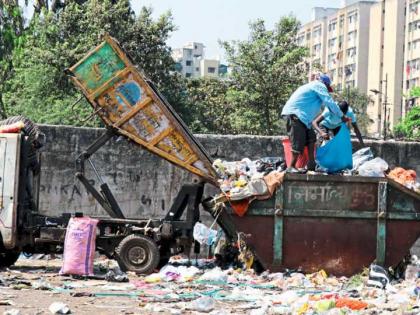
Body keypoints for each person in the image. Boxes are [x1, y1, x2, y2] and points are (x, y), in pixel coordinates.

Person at [281, 74, 347, 172]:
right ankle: (291, 166)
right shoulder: (318, 85)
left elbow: (327, 105)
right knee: (298, 142)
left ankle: (312, 164)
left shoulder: (313, 87)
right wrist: (342, 116)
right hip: (296, 114)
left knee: (311, 138)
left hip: (304, 119)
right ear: (325, 84)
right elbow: (329, 101)